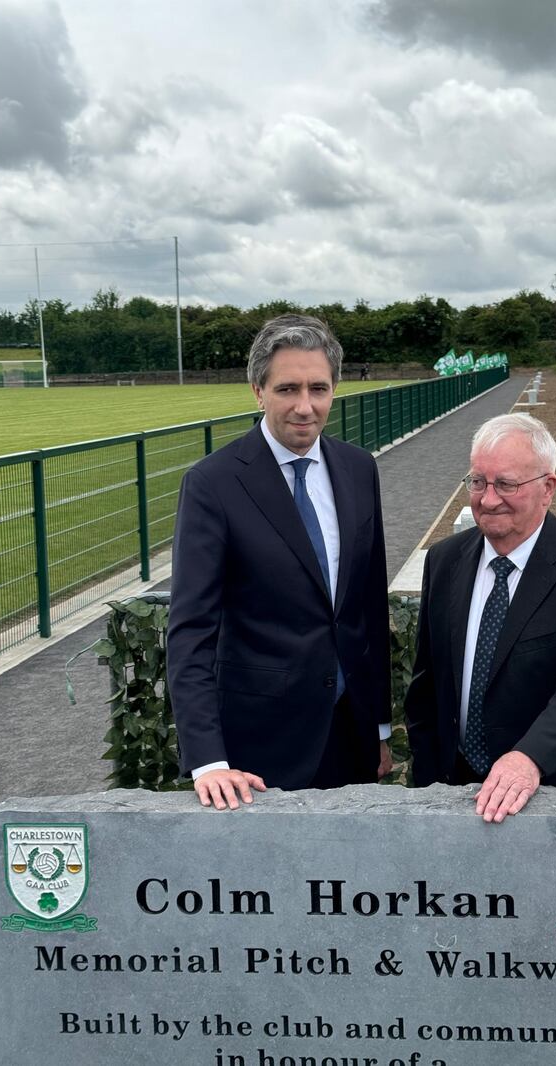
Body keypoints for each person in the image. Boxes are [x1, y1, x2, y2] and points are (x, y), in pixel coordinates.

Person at [167, 314, 392, 810]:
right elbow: (190, 630)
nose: (305, 407)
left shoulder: (359, 469)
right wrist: (208, 760)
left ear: (334, 390)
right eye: (288, 389)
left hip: (350, 734)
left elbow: (368, 607)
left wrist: (379, 726)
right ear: (258, 391)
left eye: (319, 389)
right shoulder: (212, 483)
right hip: (258, 751)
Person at [404, 412, 556, 824]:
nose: (488, 499)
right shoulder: (444, 560)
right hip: (457, 794)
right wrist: (428, 781)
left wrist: (528, 759)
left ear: (548, 488)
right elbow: (428, 686)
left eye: (506, 484)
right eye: (478, 482)